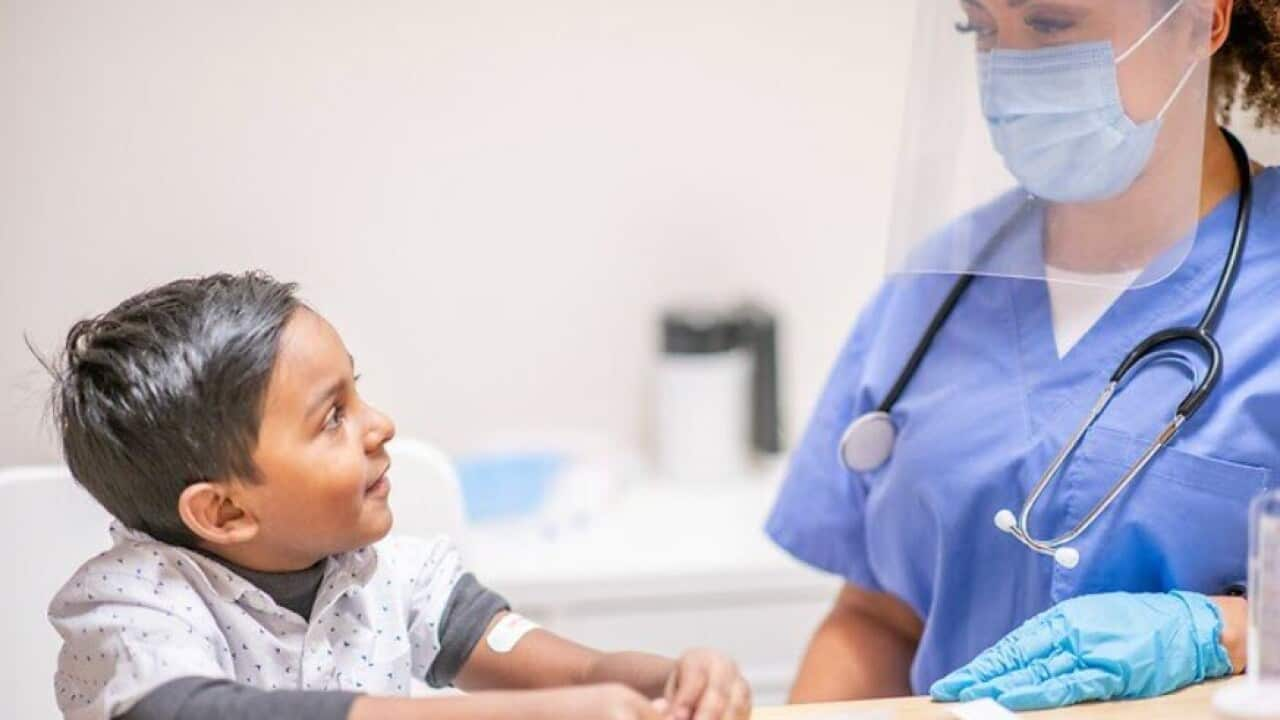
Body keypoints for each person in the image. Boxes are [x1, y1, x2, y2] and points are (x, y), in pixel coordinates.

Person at [766, 0, 1280, 711]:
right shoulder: (942, 282)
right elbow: (880, 620)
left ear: (1201, 21)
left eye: (1048, 22)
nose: (1006, 66)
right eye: (979, 27)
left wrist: (1222, 631)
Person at [46, 272, 751, 720]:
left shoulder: (397, 576)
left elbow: (580, 674)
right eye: (332, 418)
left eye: (358, 392)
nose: (381, 426)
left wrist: (675, 684)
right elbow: (191, 711)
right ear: (224, 511)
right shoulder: (128, 602)